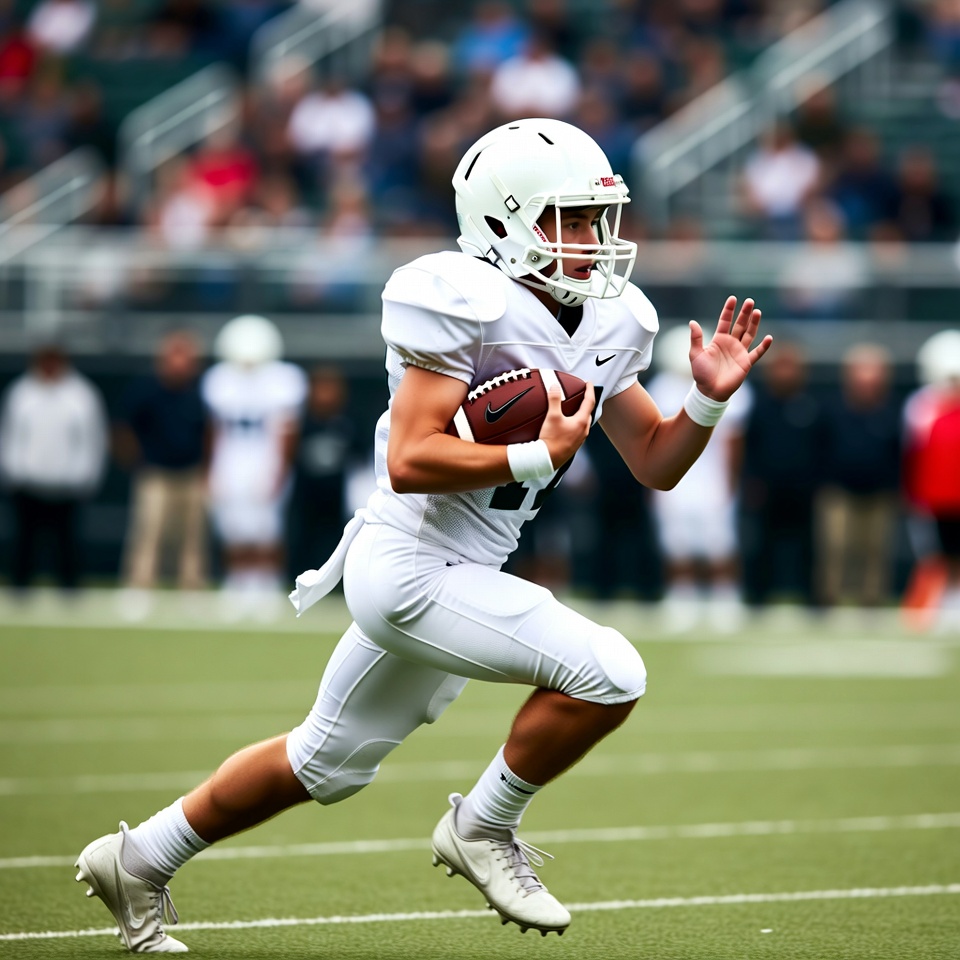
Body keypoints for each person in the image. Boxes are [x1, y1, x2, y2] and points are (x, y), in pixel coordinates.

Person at [75, 117, 770, 953]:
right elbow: (409, 460)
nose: (592, 241)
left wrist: (706, 401)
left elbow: (656, 462)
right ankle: (484, 826)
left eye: (596, 219)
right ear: (504, 218)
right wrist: (533, 455)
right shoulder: (459, 296)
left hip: (470, 565)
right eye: (571, 220)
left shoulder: (613, 320)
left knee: (323, 763)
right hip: (409, 565)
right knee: (611, 673)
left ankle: (137, 858)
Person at [645, 324, 753, 632]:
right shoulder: (663, 387)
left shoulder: (729, 384)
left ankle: (725, 598)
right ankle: (682, 597)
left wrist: (730, 482)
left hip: (712, 479)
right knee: (676, 541)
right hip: (675, 478)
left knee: (719, 540)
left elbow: (733, 441)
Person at [201, 314, 307, 616]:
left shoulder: (285, 378)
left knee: (267, 525)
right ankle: (238, 582)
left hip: (265, 457)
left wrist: (280, 468)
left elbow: (288, 429)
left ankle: (266, 583)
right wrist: (211, 468)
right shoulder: (219, 378)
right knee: (233, 524)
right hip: (231, 458)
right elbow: (214, 429)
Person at [0, 344, 107, 592]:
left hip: (67, 486)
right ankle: (19, 589)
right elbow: (10, 436)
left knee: (67, 543)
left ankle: (70, 591)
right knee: (25, 542)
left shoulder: (81, 395)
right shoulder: (21, 393)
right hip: (28, 484)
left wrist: (87, 476)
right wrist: (12, 473)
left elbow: (93, 439)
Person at [116, 332, 209, 607]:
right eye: (174, 356)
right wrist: (137, 461)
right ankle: (139, 588)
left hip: (191, 474)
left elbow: (210, 432)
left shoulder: (199, 392)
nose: (179, 363)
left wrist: (207, 469)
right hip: (156, 475)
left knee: (193, 536)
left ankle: (192, 590)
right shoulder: (145, 390)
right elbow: (123, 427)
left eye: (185, 357)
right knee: (148, 532)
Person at [815, 343, 901, 608]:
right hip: (839, 491)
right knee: (835, 547)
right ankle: (830, 600)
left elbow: (898, 453)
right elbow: (820, 448)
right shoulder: (832, 408)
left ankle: (871, 601)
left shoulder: (891, 411)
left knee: (876, 549)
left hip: (879, 493)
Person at [901, 330, 960, 630]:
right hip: (934, 499)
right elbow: (913, 454)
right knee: (936, 555)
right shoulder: (921, 407)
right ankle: (937, 604)